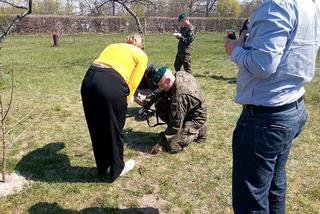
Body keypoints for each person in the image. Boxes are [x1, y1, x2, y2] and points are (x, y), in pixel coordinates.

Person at [224, 0, 320, 213]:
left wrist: (234, 50)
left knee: (252, 202)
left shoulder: (277, 4)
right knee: (274, 188)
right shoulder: (311, 4)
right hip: (290, 109)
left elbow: (262, 65)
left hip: (265, 119)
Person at [81, 34, 148, 182]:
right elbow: (132, 84)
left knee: (96, 126)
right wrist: (127, 101)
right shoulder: (141, 56)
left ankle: (102, 166)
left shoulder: (112, 46)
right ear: (141, 47)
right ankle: (117, 169)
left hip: (88, 80)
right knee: (114, 129)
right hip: (110, 84)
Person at [136, 66, 207, 153]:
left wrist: (160, 144)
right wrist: (147, 99)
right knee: (161, 104)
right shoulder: (179, 75)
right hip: (192, 109)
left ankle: (196, 131)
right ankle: (189, 128)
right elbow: (161, 91)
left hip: (195, 117)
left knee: (172, 147)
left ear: (168, 80)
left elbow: (175, 125)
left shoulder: (180, 97)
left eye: (161, 85)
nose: (160, 88)